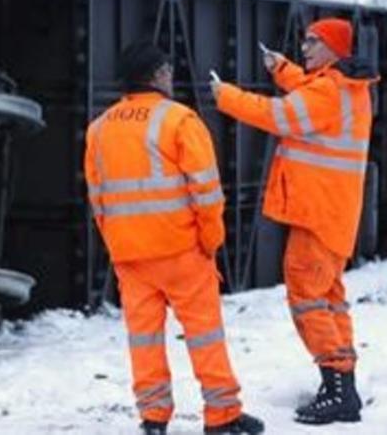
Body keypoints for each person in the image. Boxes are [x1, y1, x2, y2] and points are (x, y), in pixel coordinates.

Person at [85, 41, 264, 435]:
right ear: (157, 75)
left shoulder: (99, 129)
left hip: (130, 256)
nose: (171, 76)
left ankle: (153, 419)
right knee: (205, 334)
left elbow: (98, 198)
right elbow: (207, 191)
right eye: (167, 70)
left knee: (144, 340)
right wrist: (210, 241)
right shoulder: (180, 120)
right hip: (182, 250)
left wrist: (118, 243)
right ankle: (222, 417)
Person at [210, 18, 377, 425]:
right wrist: (281, 68)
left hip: (317, 215)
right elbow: (308, 91)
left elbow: (281, 116)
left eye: (312, 42)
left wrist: (225, 96)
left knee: (307, 298)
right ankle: (343, 386)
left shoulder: (327, 91)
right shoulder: (343, 87)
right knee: (330, 298)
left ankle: (337, 386)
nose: (305, 48)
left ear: (334, 48)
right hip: (332, 214)